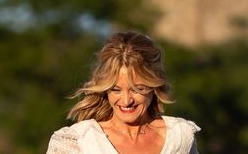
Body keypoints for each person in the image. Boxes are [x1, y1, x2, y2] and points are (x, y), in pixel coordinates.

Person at [46, 31, 199, 154]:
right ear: (105, 89)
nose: (126, 101)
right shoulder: (76, 141)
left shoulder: (179, 136)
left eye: (137, 89)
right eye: (116, 89)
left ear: (154, 86)